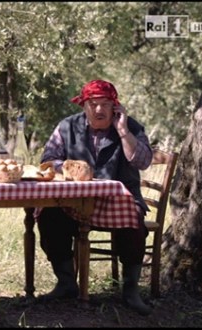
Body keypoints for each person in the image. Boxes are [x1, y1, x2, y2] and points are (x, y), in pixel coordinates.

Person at [36, 79, 154, 316]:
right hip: (74, 202)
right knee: (48, 214)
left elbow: (143, 161)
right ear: (84, 106)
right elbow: (47, 160)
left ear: (115, 107)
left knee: (133, 220)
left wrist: (123, 132)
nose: (99, 110)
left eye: (105, 104)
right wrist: (69, 168)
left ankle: (131, 290)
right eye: (93, 104)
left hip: (118, 201)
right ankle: (66, 282)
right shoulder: (67, 127)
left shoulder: (130, 127)